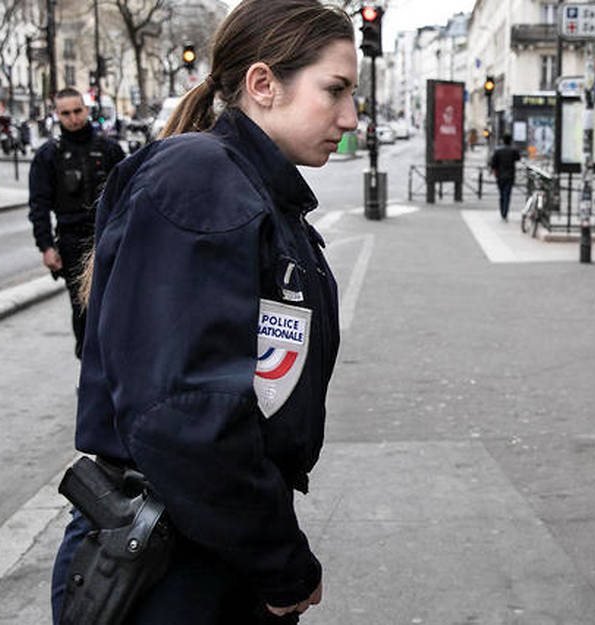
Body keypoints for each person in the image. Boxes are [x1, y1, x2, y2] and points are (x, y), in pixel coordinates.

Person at [50, 1, 356, 622]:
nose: (351, 117)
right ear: (264, 84)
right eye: (336, 91)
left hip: (205, 541)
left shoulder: (252, 189)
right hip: (173, 561)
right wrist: (280, 561)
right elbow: (184, 415)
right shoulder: (202, 178)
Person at [28, 87, 126, 359]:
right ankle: (89, 375)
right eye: (65, 113)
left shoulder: (109, 150)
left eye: (77, 111)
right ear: (57, 116)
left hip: (108, 239)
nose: (72, 118)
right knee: (82, 312)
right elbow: (39, 205)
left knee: (114, 309)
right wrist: (46, 247)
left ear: (86, 109)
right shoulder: (49, 155)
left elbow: (128, 197)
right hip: (72, 242)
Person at [489, 132, 521, 221]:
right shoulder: (513, 150)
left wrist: (494, 171)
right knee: (507, 194)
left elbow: (493, 163)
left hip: (500, 176)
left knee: (502, 195)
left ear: (503, 141)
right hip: (510, 176)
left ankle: (502, 210)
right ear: (510, 141)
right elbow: (518, 158)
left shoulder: (498, 150)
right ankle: (505, 212)